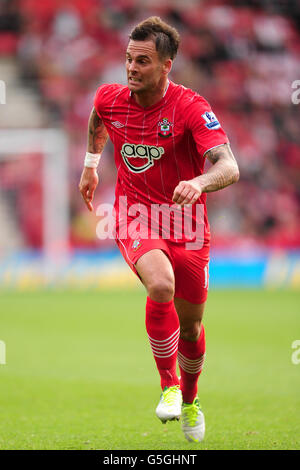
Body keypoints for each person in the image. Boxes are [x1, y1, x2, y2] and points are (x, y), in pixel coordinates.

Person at [79, 16, 239, 443]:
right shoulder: (111, 98)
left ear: (167, 65)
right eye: (129, 59)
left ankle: (189, 398)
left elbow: (229, 166)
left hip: (186, 224)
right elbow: (96, 119)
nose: (131, 68)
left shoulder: (190, 107)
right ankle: (168, 385)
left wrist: (199, 182)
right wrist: (91, 167)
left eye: (143, 61)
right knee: (161, 284)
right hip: (134, 215)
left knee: (190, 328)